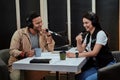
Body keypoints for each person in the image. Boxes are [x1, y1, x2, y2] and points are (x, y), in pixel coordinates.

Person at [66, 11, 115, 80]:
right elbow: (81, 50)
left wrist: (75, 55)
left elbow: (94, 53)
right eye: (83, 23)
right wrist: (78, 42)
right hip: (97, 65)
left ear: (93, 22)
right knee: (78, 77)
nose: (84, 25)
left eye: (86, 23)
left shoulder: (100, 33)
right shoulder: (88, 35)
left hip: (106, 66)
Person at [8, 11, 55, 80]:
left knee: (43, 71)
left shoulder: (42, 34)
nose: (41, 24)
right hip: (17, 63)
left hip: (34, 62)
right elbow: (12, 51)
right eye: (37, 23)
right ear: (30, 24)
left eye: (41, 22)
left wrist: (48, 36)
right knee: (16, 77)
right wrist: (25, 54)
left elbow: (50, 50)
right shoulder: (19, 33)